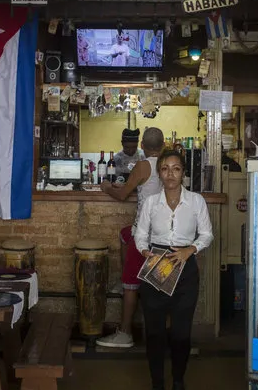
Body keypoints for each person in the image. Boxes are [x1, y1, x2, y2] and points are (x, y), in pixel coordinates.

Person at [134, 150, 214, 390]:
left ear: (183, 173)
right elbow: (139, 234)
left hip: (185, 267)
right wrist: (144, 251)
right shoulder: (150, 203)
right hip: (156, 266)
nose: (170, 173)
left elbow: (207, 234)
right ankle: (157, 382)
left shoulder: (196, 201)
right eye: (165, 168)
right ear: (159, 173)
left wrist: (190, 250)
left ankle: (178, 380)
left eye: (176, 168)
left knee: (181, 333)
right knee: (155, 333)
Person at [95, 127, 165, 349]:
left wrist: (107, 187)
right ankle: (163, 333)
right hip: (164, 234)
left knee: (130, 284)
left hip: (144, 234)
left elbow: (123, 194)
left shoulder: (143, 165)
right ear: (163, 146)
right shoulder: (170, 165)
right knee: (125, 235)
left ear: (142, 146)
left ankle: (125, 333)